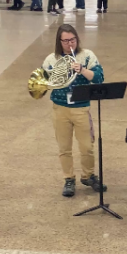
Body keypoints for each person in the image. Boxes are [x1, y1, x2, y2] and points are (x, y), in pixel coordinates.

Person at [43, 24, 105, 197]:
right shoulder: (51, 59)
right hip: (60, 108)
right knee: (64, 147)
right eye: (66, 41)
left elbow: (99, 78)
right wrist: (58, 75)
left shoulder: (87, 56)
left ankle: (88, 175)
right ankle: (68, 179)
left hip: (81, 107)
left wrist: (82, 70)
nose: (70, 44)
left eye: (73, 39)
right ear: (59, 41)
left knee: (87, 147)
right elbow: (44, 83)